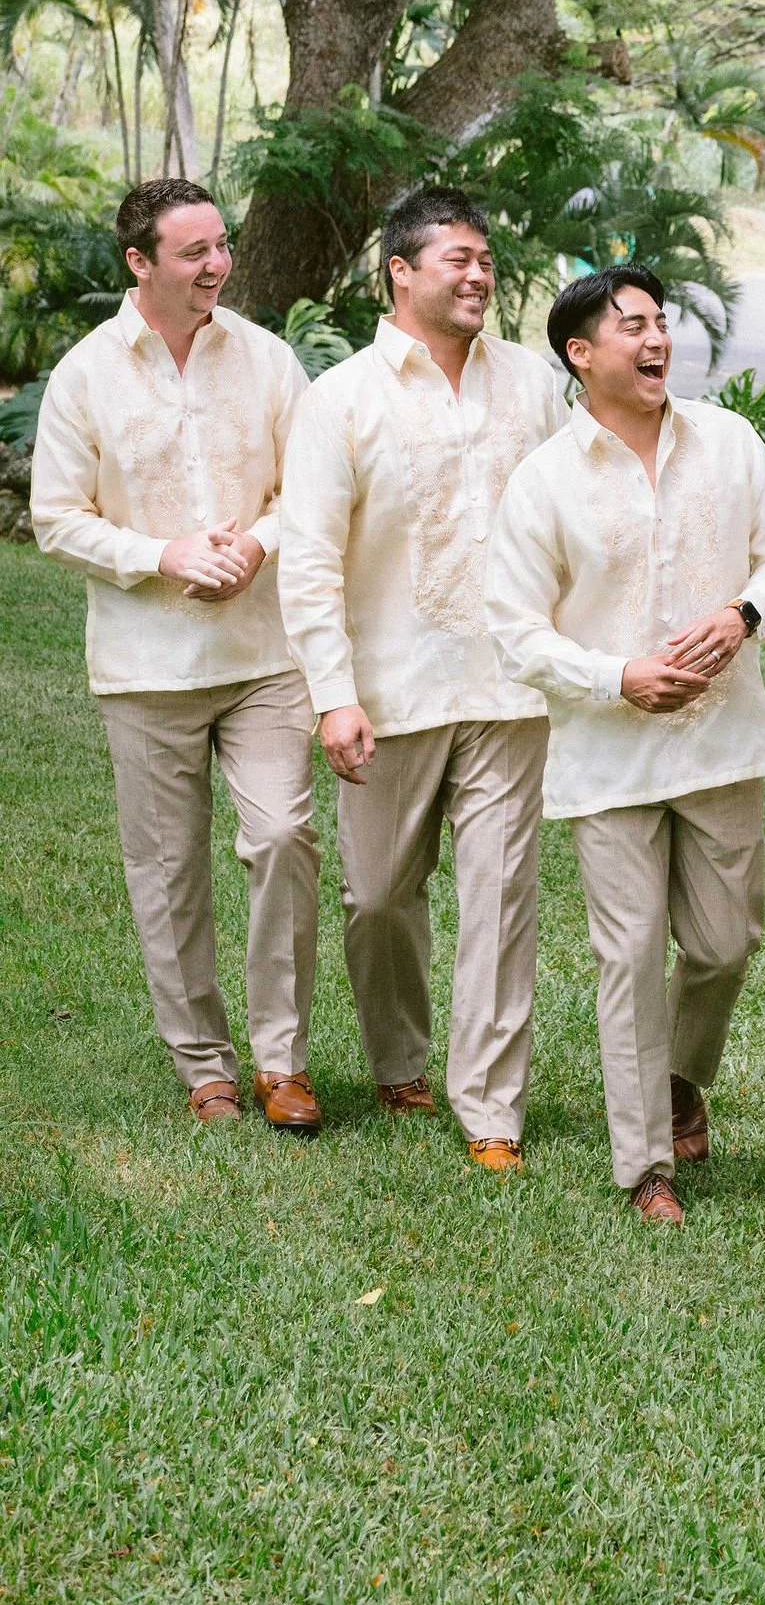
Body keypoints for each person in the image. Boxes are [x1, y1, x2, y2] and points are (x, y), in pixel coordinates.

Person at [485, 266, 765, 1228]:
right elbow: (512, 629)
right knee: (626, 956)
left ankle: (679, 1078)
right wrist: (614, 677)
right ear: (582, 355)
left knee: (724, 940)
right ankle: (645, 1165)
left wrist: (745, 613)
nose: (657, 338)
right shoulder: (544, 481)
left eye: (661, 322)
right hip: (607, 755)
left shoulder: (731, 443)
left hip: (723, 741)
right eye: (632, 326)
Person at [278, 185, 562, 1170]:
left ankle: (490, 1110)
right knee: (377, 897)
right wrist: (334, 692)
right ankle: (400, 1057)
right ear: (400, 272)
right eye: (459, 260)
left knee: (500, 899)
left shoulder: (532, 384)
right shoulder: (341, 399)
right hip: (390, 689)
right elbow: (309, 558)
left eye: (487, 259)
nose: (480, 274)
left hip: (510, 690)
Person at [30, 178, 320, 1130]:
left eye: (222, 244)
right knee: (168, 871)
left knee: (282, 836)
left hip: (264, 653)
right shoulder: (84, 376)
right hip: (146, 665)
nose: (217, 265)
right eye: (193, 252)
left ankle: (281, 1061)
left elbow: (308, 490)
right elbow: (56, 520)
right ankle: (206, 1068)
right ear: (139, 263)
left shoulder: (270, 361)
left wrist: (256, 548)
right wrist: (164, 556)